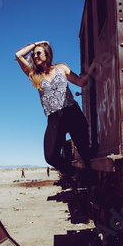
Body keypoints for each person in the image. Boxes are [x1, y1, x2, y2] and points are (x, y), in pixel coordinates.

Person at [15, 41, 96, 179]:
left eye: (38, 53)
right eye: (33, 54)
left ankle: (92, 181)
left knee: (85, 153)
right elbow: (18, 55)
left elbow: (81, 82)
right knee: (50, 156)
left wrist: (94, 65)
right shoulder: (34, 74)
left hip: (72, 113)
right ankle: (75, 174)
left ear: (47, 54)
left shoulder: (61, 68)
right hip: (55, 118)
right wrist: (37, 44)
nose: (35, 56)